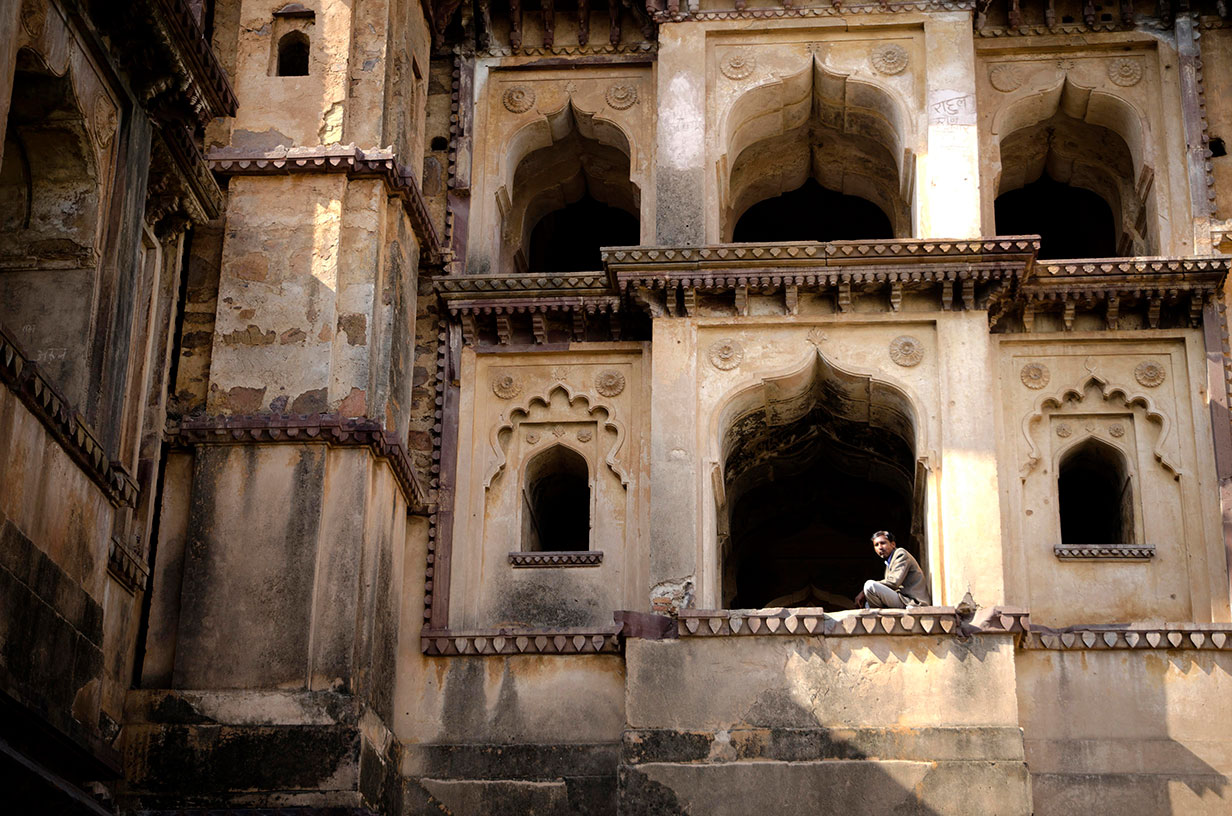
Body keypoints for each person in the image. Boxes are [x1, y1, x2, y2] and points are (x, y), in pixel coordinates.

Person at [853, 530, 931, 609]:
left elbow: (894, 582)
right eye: (876, 545)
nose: (880, 547)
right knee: (867, 604)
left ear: (893, 544)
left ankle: (880, 613)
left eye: (883, 543)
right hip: (902, 599)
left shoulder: (901, 553)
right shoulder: (888, 563)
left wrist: (863, 592)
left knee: (869, 586)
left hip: (912, 601)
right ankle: (880, 614)